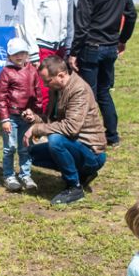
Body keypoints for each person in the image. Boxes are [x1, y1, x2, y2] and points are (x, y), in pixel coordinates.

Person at [70, 0, 136, 147]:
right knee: (104, 92)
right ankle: (112, 135)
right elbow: (131, 15)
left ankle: (88, 136)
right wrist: (122, 39)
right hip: (110, 46)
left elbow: (82, 26)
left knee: (88, 95)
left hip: (92, 47)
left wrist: (74, 53)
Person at [24, 55, 107, 205]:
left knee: (55, 140)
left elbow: (70, 128)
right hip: (75, 145)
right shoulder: (57, 89)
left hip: (93, 153)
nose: (45, 85)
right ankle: (82, 174)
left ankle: (74, 187)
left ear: (61, 75)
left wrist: (37, 129)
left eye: (47, 81)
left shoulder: (79, 90)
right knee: (32, 154)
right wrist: (34, 118)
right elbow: (52, 121)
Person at [0, 38, 43, 191]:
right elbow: (1, 97)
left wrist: (36, 112)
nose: (19, 56)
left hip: (27, 116)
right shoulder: (6, 72)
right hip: (11, 116)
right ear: (9, 55)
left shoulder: (32, 70)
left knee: (25, 146)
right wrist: (4, 119)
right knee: (9, 147)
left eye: (22, 53)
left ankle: (25, 175)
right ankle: (9, 175)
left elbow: (38, 92)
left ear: (27, 54)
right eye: (15, 54)